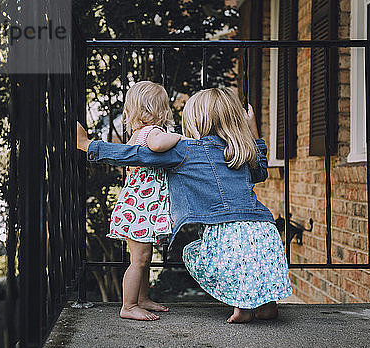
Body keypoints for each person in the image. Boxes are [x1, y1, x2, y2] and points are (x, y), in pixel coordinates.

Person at [78, 87, 293, 323]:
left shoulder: (187, 150)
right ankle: (268, 305)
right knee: (253, 258)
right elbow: (261, 172)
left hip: (226, 229)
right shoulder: (240, 149)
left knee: (197, 254)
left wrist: (89, 145)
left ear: (196, 120)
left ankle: (241, 305)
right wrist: (253, 133)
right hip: (264, 228)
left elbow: (135, 155)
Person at [101, 80, 184, 321]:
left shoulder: (136, 135)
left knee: (143, 258)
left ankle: (142, 299)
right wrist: (179, 137)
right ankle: (128, 306)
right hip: (140, 209)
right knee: (139, 260)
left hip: (137, 206)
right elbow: (158, 145)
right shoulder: (152, 132)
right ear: (159, 110)